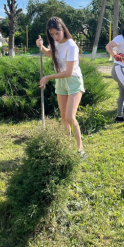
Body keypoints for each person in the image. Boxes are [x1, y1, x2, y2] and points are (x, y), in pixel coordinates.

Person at [36, 16, 86, 158]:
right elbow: (49, 53)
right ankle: (66, 147)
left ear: (63, 29)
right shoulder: (56, 43)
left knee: (70, 117)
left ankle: (80, 149)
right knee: (63, 117)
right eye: (51, 34)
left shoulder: (71, 46)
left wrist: (48, 77)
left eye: (57, 33)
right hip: (62, 82)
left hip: (74, 81)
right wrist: (41, 46)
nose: (55, 37)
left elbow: (69, 72)